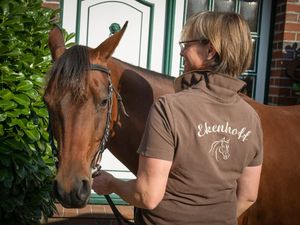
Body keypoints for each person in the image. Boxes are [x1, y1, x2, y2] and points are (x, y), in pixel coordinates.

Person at [92, 11, 263, 225]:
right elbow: (248, 195)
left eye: (186, 44)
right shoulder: (251, 117)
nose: (182, 52)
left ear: (210, 50)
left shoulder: (170, 108)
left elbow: (147, 195)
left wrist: (112, 183)